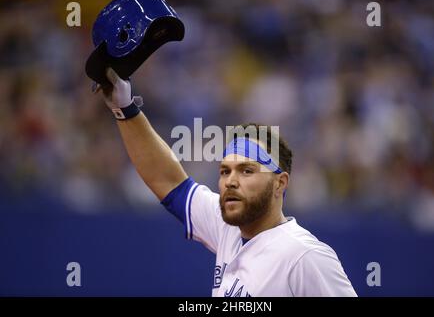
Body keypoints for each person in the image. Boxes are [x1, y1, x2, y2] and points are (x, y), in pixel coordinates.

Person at [95, 68, 357, 297]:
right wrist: (124, 108)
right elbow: (167, 180)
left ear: (280, 183)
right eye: (224, 171)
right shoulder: (228, 230)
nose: (231, 181)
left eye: (246, 171)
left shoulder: (304, 256)